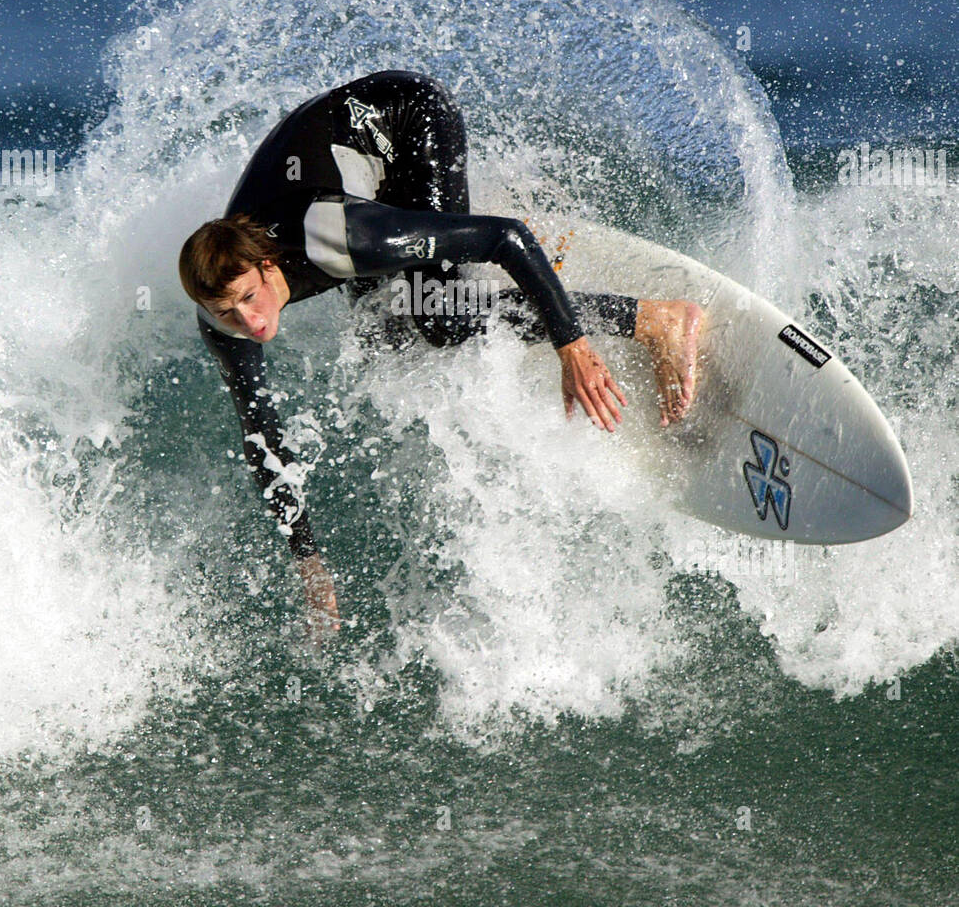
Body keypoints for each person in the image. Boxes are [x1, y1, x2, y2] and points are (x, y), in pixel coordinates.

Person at [179, 70, 701, 642]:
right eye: (228, 312)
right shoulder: (221, 312)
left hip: (405, 118)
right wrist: (309, 562)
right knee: (387, 335)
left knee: (441, 317)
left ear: (270, 267)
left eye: (250, 299)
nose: (248, 323)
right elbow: (262, 434)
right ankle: (449, 234)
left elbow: (507, 238)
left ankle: (657, 319)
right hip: (334, 163)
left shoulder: (343, 239)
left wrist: (571, 346)